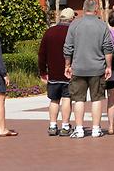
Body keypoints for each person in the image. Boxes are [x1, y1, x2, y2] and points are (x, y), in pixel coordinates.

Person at [63, 0, 114, 139]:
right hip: (97, 68)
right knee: (96, 99)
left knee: (78, 99)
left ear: (83, 9)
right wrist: (108, 66)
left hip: (78, 67)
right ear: (96, 9)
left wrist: (67, 65)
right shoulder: (102, 25)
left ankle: (79, 129)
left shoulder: (75, 25)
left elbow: (68, 47)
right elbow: (108, 48)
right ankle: (96, 129)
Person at [38, 7, 75, 136]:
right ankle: (65, 126)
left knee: (54, 100)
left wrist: (43, 71)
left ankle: (53, 125)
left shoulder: (49, 32)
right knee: (66, 98)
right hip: (68, 72)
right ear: (71, 19)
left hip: (53, 73)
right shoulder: (72, 32)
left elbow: (42, 54)